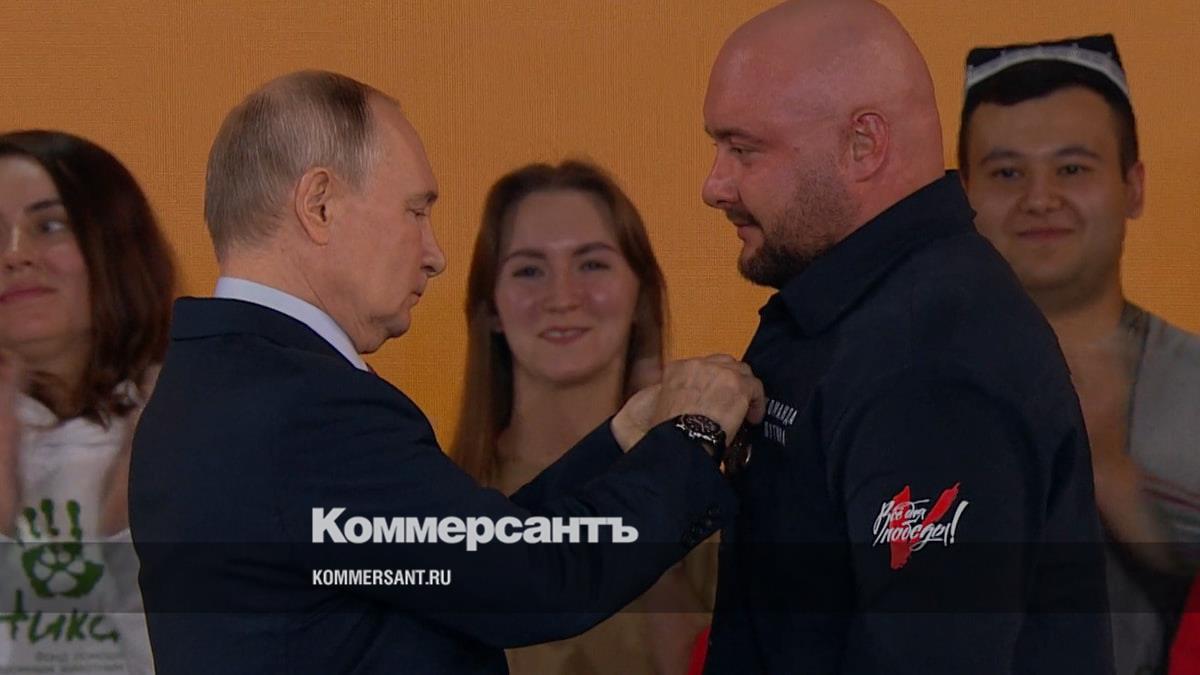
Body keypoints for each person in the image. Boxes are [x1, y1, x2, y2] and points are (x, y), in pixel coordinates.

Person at [129, 70, 763, 675]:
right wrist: (695, 435)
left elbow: (473, 557)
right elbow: (533, 583)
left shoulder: (211, 383)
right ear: (319, 205)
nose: (435, 256)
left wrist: (623, 440)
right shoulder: (309, 409)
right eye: (415, 211)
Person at [697, 1, 1112, 673]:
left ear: (864, 145)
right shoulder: (848, 313)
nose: (713, 186)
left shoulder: (932, 357)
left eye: (743, 149)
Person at [958, 34, 1200, 675]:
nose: (1040, 199)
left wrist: (1118, 485)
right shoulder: (905, 383)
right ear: (963, 197)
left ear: (1134, 186)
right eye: (1007, 173)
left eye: (1072, 168)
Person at [452, 160, 713, 675]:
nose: (563, 298)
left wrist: (663, 468)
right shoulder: (444, 506)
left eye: (592, 264)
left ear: (641, 295)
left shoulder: (712, 496)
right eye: (529, 270)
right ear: (491, 308)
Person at [0, 130, 176, 674]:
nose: (15, 255)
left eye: (49, 226)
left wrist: (132, 514)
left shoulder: (197, 420)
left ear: (116, 244)